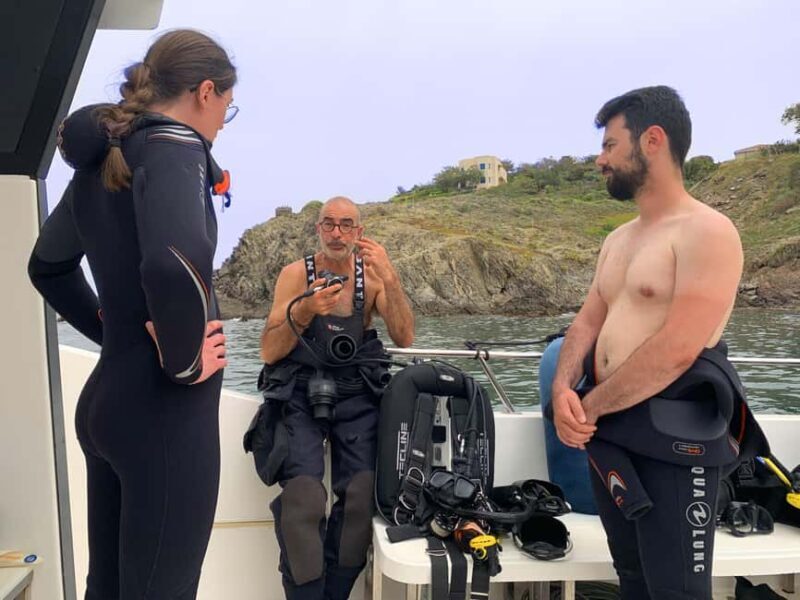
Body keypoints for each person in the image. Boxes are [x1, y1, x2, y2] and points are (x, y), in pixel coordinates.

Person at [28, 30, 236, 599]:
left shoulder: (105, 160)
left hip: (109, 402)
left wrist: (116, 334)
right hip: (163, 415)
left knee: (111, 589)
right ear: (206, 92)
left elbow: (48, 267)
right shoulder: (176, 147)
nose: (222, 121)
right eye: (227, 108)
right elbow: (173, 264)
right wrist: (184, 358)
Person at [550, 86, 756, 599]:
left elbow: (679, 347)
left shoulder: (707, 231)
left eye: (610, 145)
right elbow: (584, 326)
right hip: (613, 433)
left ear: (652, 141)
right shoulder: (618, 240)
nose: (600, 160)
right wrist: (561, 392)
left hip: (673, 436)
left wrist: (587, 407)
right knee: (634, 580)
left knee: (677, 590)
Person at [254, 196, 414, 599]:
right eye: (329, 224)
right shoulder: (296, 275)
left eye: (346, 225)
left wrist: (391, 280)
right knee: (304, 498)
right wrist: (305, 309)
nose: (337, 233)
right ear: (318, 229)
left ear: (359, 233)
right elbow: (270, 352)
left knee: (361, 494)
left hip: (356, 391)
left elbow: (404, 337)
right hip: (300, 393)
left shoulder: (372, 278)